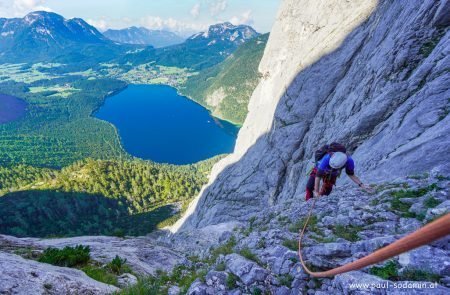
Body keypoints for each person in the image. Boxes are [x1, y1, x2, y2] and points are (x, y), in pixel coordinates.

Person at [305, 144, 372, 201]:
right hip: (320, 169)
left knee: (327, 190)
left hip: (333, 173)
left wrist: (362, 185)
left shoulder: (349, 161)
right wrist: (316, 191)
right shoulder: (326, 159)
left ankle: (321, 201)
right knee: (309, 187)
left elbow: (351, 174)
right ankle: (308, 203)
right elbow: (318, 176)